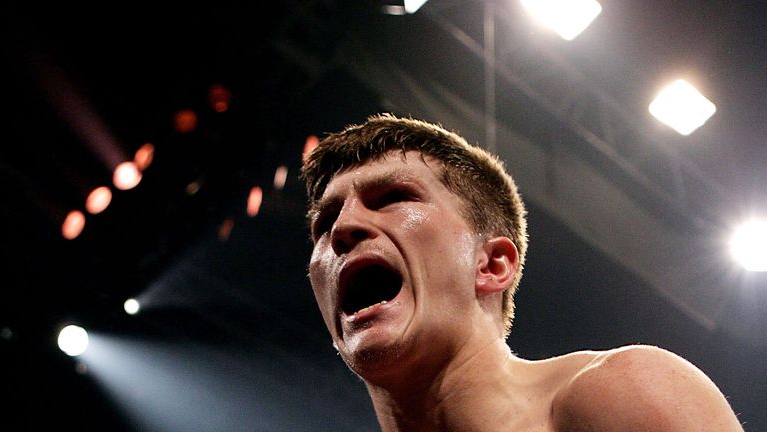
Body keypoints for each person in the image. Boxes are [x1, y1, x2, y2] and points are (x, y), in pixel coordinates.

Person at [301, 113, 743, 431]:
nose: (342, 228)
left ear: (492, 265)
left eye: (394, 197)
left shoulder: (622, 394)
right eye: (325, 222)